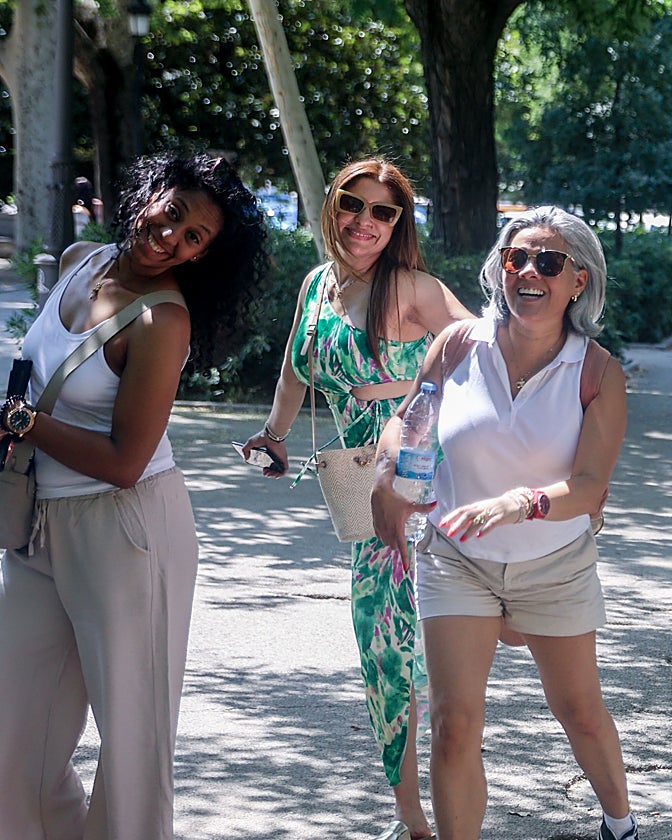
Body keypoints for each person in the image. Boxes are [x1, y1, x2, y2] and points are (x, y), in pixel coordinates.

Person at [0, 152, 271, 838]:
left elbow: (125, 462)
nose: (171, 239)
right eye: (171, 214)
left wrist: (23, 423)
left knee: (131, 743)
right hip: (38, 524)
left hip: (128, 531)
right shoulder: (80, 260)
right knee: (13, 732)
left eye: (194, 239)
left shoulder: (162, 321)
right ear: (147, 194)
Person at [370, 207, 639, 840]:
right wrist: (388, 473)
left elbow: (591, 488)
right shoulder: (460, 345)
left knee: (579, 711)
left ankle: (620, 823)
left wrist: (520, 503)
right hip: (456, 558)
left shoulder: (596, 371)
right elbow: (412, 418)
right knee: (453, 722)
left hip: (554, 565)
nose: (529, 273)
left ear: (579, 280)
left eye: (548, 262)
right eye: (517, 258)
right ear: (501, 269)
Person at [243, 157, 472, 840]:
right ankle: (413, 819)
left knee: (423, 654)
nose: (364, 222)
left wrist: (414, 400)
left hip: (421, 489)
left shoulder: (411, 287)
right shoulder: (319, 284)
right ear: (331, 204)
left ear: (399, 223)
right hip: (364, 502)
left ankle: (450, 809)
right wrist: (274, 435)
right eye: (353, 204)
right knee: (380, 654)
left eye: (383, 211)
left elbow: (483, 347)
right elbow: (293, 367)